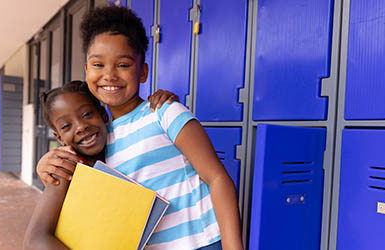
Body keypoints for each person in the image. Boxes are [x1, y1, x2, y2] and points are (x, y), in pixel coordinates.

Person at [38, 6, 243, 250]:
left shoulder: (164, 112)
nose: (109, 75)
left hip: (201, 243)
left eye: (123, 65)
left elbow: (218, 178)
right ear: (86, 70)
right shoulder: (100, 137)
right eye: (98, 65)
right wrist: (44, 164)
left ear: (143, 72)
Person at [23, 81, 178, 249]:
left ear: (103, 115)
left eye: (87, 114)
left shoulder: (129, 144)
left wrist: (162, 103)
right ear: (59, 137)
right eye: (66, 126)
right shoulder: (66, 168)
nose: (81, 127)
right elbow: (34, 241)